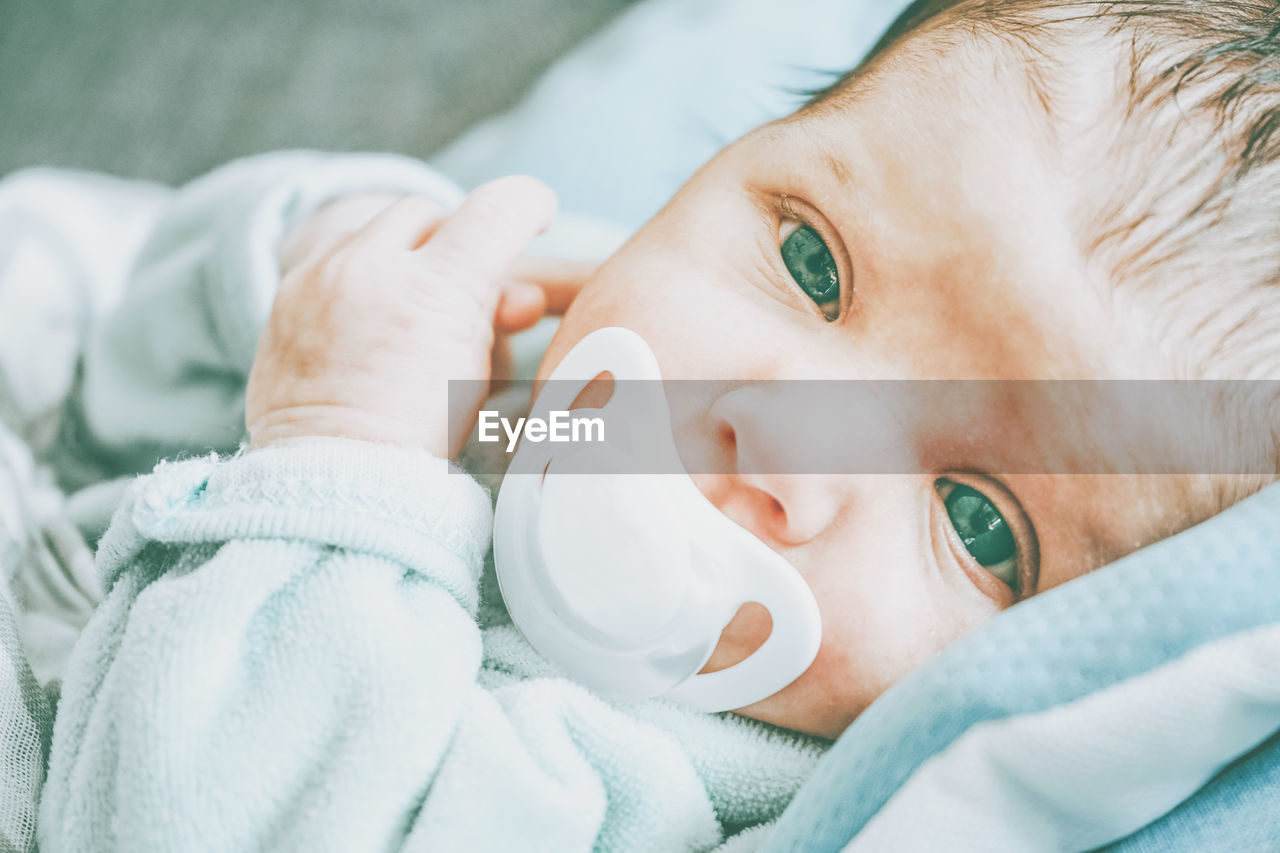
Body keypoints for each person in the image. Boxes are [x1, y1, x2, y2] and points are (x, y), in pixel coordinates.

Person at [35, 0, 1280, 849]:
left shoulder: (650, 787)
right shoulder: (546, 377)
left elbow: (186, 816)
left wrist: (339, 444)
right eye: (810, 264)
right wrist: (323, 251)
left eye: (974, 518)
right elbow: (120, 395)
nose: (778, 440)